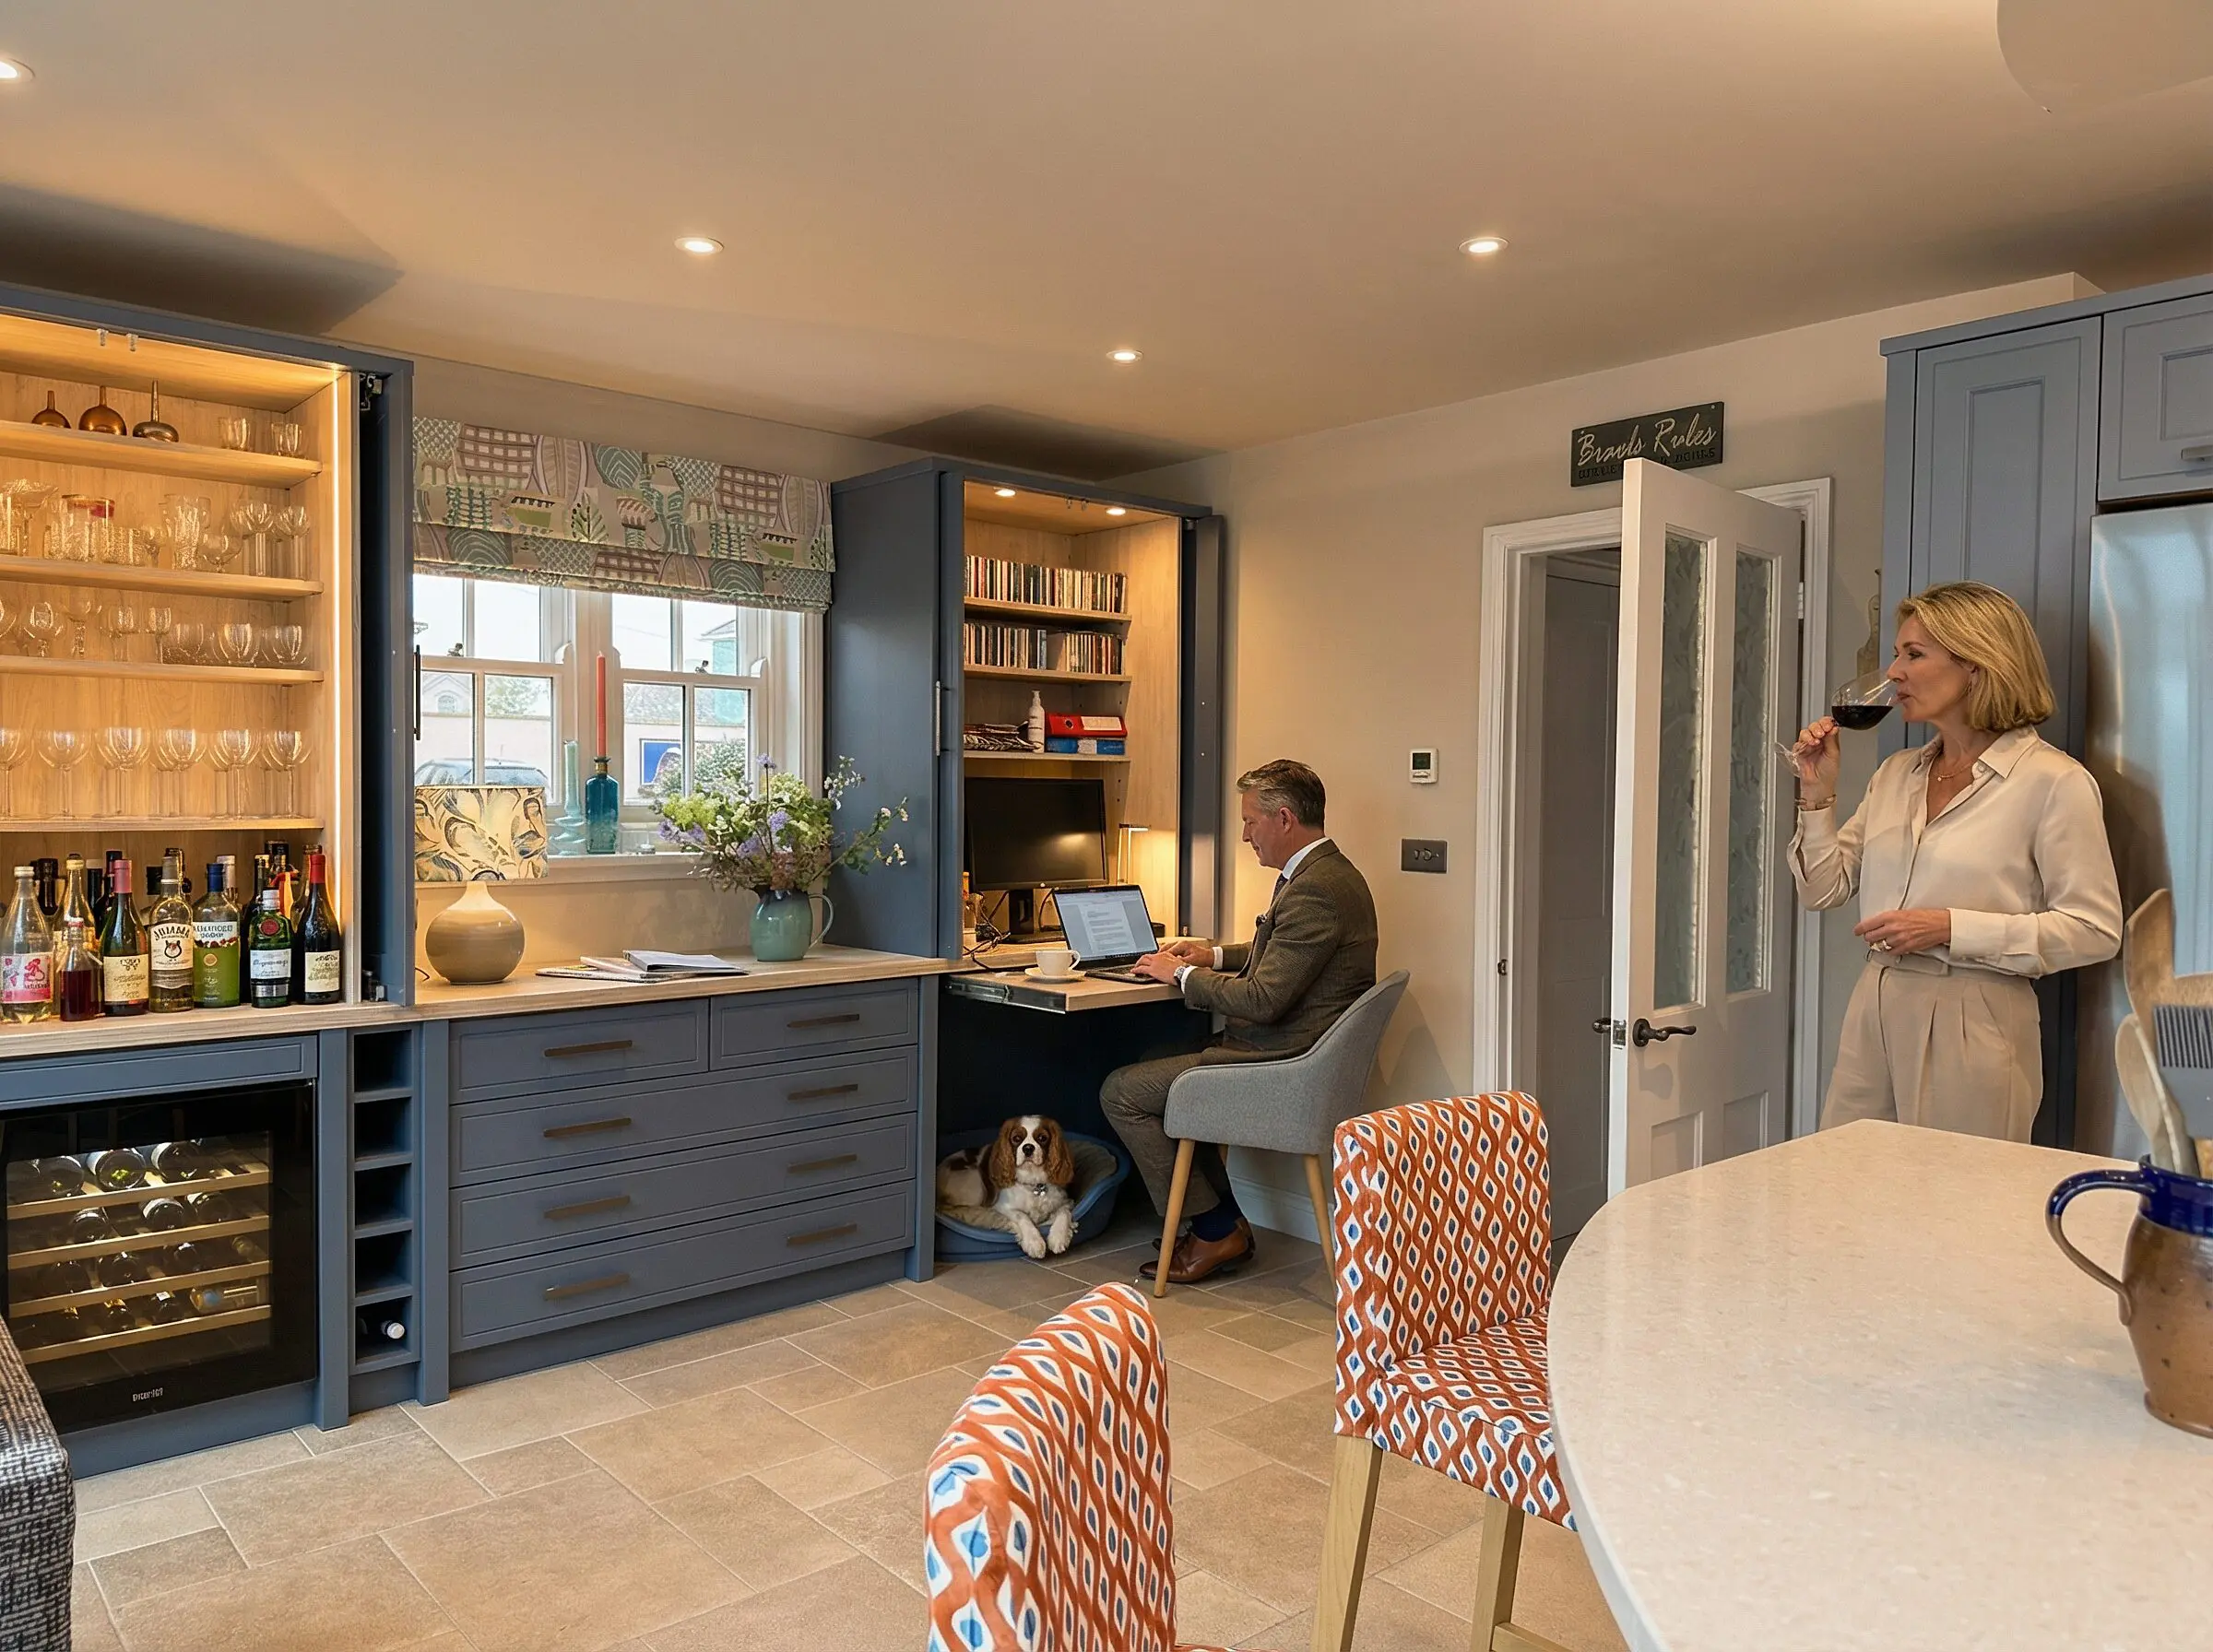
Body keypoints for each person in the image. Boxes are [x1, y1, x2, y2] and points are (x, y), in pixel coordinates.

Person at [1789, 581, 2120, 1140]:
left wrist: (1949, 927)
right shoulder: (1895, 774)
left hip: (1977, 1013)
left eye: (1913, 655)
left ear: (1977, 665)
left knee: (1956, 1207)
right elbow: (1821, 890)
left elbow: (2094, 930)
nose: (1894, 672)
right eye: (1898, 654)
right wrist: (1817, 795)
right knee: (1846, 1191)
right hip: (1876, 1002)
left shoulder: (2053, 783)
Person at [1100, 759, 1378, 1284]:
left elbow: (1263, 999)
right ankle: (1224, 1222)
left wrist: (1178, 975)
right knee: (1151, 1066)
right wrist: (1210, 957)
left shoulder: (1315, 890)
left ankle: (1212, 1227)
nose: (1246, 834)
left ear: (1284, 818)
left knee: (1122, 1091)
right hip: (1296, 1050)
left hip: (1281, 1061)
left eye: (1251, 821)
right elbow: (1279, 955)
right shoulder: (1327, 875)